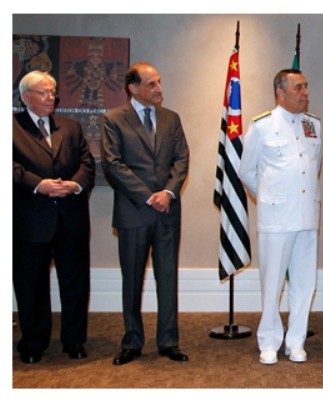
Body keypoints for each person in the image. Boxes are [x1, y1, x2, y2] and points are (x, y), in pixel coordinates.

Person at [100, 62, 190, 366]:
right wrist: (149, 196)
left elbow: (181, 159)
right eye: (152, 84)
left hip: (167, 212)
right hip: (134, 212)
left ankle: (169, 341)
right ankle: (132, 341)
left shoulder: (171, 119)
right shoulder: (114, 119)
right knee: (132, 279)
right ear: (133, 88)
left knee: (168, 277)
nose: (159, 89)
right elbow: (113, 164)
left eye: (159, 82)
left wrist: (168, 193)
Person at [239, 69, 321, 365]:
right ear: (280, 92)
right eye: (298, 87)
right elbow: (247, 171)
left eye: (306, 86)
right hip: (276, 218)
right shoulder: (262, 125)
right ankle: (269, 341)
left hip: (307, 216)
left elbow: (313, 166)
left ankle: (296, 342)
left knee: (304, 283)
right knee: (272, 282)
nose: (305, 92)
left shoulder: (314, 125)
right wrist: (270, 197)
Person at [13, 70, 95, 364]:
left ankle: (74, 340)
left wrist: (74, 185)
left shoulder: (70, 127)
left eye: (53, 92)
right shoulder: (11, 127)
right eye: (44, 92)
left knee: (75, 282)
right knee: (31, 284)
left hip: (70, 219)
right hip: (31, 221)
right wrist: (39, 185)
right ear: (26, 97)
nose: (51, 97)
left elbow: (87, 163)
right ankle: (34, 343)